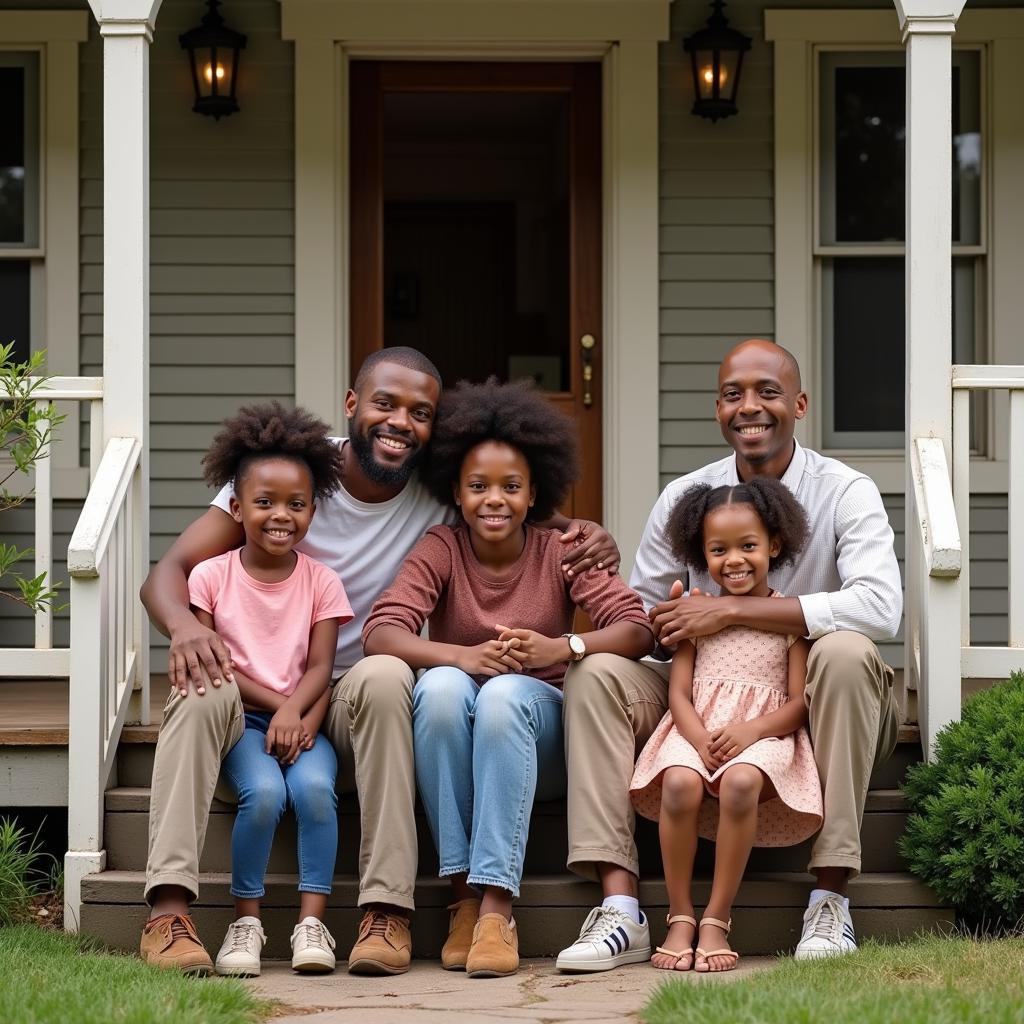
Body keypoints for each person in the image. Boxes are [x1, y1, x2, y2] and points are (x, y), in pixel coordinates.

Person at [138, 347, 619, 976]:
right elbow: (166, 574)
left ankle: (387, 911)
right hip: (250, 686)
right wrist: (182, 627)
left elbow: (516, 508)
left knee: (389, 675)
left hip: (348, 692)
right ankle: (168, 914)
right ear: (351, 406)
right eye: (385, 404)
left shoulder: (435, 487)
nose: (400, 423)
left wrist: (589, 530)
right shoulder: (292, 477)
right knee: (201, 687)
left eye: (420, 413)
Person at [557, 338, 902, 972]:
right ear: (718, 408)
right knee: (597, 675)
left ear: (797, 403)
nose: (750, 407)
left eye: (767, 392)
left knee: (847, 652)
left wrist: (734, 609)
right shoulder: (688, 496)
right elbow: (645, 619)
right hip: (704, 688)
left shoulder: (844, 490)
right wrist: (667, 614)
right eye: (733, 394)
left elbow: (880, 606)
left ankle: (829, 897)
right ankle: (622, 907)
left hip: (811, 697)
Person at [362, 379, 654, 978]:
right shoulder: (441, 547)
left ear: (532, 495)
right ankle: (463, 897)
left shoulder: (560, 550)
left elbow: (636, 628)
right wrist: (461, 657)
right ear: (456, 492)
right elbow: (381, 632)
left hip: (540, 739)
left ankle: (498, 904)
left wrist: (562, 645)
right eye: (478, 487)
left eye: (510, 487)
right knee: (439, 690)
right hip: (467, 731)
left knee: (501, 694)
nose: (493, 500)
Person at [182, 404, 353, 976]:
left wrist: (301, 718)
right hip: (245, 725)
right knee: (263, 795)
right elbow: (217, 668)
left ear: (312, 511)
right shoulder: (210, 577)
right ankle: (246, 923)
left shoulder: (321, 581)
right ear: (236, 508)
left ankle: (312, 924)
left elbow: (322, 666)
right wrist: (279, 709)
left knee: (314, 792)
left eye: (297, 505)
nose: (282, 516)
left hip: (304, 721)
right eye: (265, 502)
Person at [630, 478, 822, 973]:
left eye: (748, 546)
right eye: (718, 550)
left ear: (774, 546)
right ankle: (680, 915)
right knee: (678, 781)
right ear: (702, 553)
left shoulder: (788, 619)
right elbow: (678, 692)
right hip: (697, 728)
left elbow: (800, 703)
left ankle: (716, 916)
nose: (733, 559)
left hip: (765, 733)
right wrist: (696, 737)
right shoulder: (695, 615)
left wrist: (750, 733)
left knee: (740, 782)